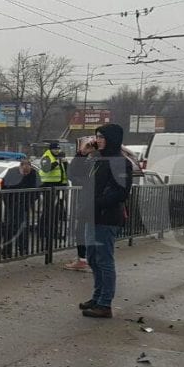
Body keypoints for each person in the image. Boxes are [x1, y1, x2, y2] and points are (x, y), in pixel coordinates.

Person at [80, 123, 132, 319]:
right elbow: (75, 176)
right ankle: (97, 296)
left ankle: (105, 303)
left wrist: (96, 203)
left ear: (111, 138)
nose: (97, 140)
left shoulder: (120, 162)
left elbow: (121, 192)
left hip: (106, 217)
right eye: (97, 136)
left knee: (104, 259)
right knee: (92, 257)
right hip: (92, 215)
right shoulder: (98, 159)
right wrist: (83, 154)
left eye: (101, 136)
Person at [63, 137, 97, 271]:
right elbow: (71, 173)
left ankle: (88, 260)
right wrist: (81, 153)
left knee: (88, 232)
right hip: (87, 201)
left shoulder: (101, 161)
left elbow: (72, 174)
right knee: (82, 231)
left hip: (93, 202)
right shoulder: (90, 161)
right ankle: (84, 259)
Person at [0, 158, 39, 257]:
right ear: (20, 167)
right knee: (9, 227)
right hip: (12, 203)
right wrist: (7, 201)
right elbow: (4, 187)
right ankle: (7, 249)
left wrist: (28, 203)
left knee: (21, 227)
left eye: (27, 171)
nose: (25, 173)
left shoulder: (33, 175)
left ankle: (22, 249)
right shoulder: (12, 173)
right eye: (24, 171)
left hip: (23, 205)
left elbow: (36, 191)